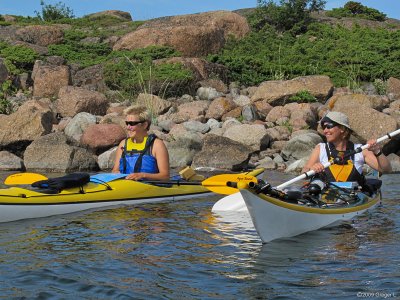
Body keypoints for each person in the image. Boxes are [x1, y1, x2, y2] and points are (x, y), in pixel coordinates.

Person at [302, 111, 391, 186]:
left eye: (329, 126)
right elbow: (304, 172)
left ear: (342, 129)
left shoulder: (361, 150)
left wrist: (377, 151)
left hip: (352, 199)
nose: (325, 131)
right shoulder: (320, 148)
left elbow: (386, 170)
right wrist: (312, 169)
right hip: (326, 198)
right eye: (323, 127)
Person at [112, 105, 170, 181]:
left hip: (151, 188)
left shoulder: (157, 145)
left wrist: (143, 175)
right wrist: (117, 173)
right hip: (127, 186)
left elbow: (165, 176)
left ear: (145, 125)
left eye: (132, 124)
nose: (128, 127)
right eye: (127, 123)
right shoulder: (123, 144)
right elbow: (114, 170)